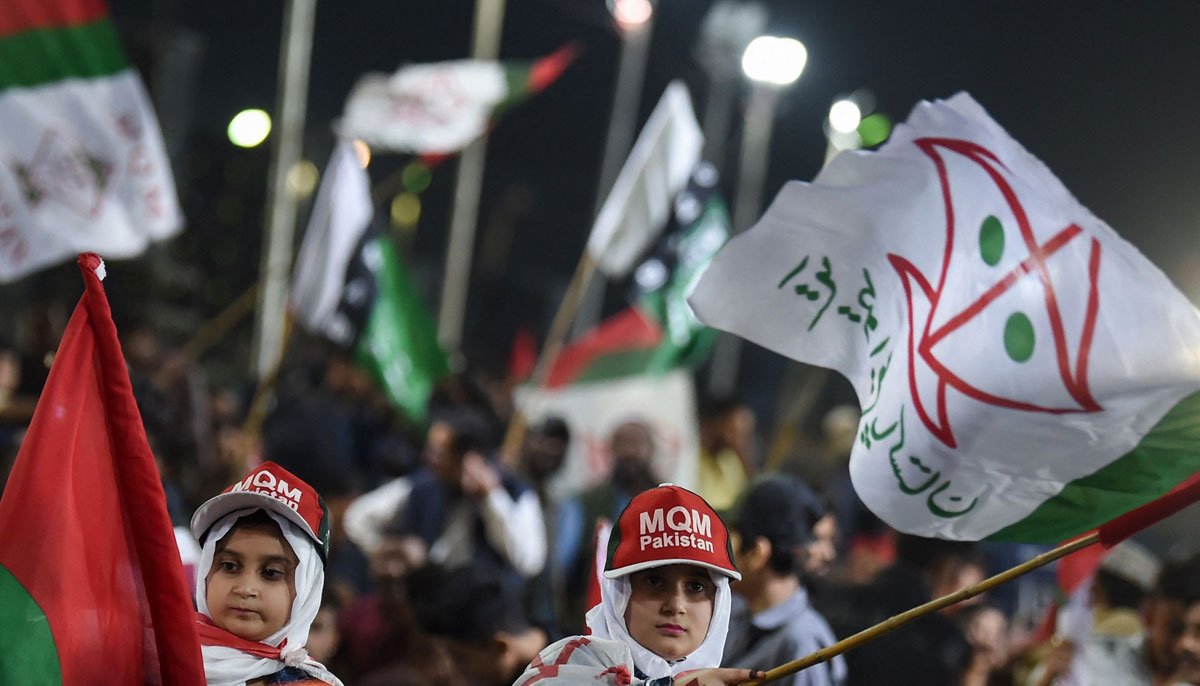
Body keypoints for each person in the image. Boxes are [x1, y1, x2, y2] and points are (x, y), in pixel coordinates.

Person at [515, 484, 765, 686]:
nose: (676, 605)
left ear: (719, 602)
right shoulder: (562, 669)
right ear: (619, 594)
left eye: (696, 587)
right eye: (655, 581)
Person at [190, 461, 343, 685]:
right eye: (230, 566)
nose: (245, 589)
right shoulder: (156, 660)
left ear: (307, 588)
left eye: (271, 573)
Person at [723, 475, 846, 686]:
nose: (721, 551)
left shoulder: (801, 644)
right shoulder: (740, 615)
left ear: (757, 553)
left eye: (729, 538)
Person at [695, 395, 755, 513]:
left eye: (744, 434)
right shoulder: (692, 458)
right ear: (717, 423)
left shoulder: (731, 461)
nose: (739, 441)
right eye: (734, 431)